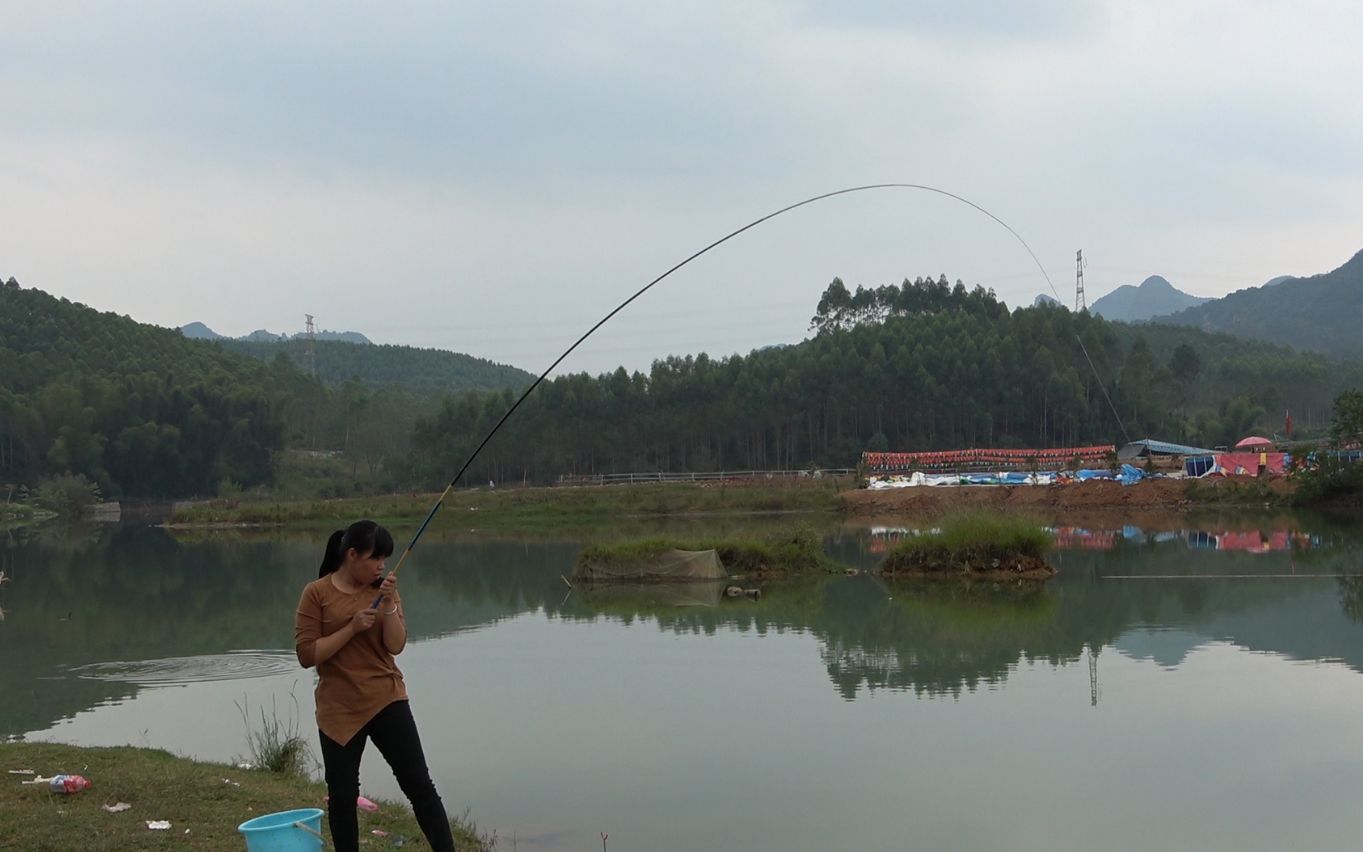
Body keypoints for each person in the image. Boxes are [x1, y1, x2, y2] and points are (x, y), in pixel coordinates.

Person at [295, 519, 455, 852]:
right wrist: (351, 629)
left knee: (419, 786)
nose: (381, 566)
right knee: (341, 796)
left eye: (385, 558)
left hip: (386, 698)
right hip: (338, 710)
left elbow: (395, 645)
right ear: (351, 555)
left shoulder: (383, 591)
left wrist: (390, 603)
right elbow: (307, 654)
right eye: (374, 558)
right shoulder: (316, 593)